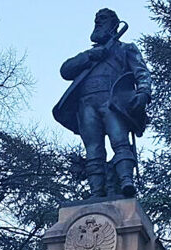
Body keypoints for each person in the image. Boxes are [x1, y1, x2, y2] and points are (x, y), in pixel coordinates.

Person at [53, 8, 151, 197]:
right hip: (86, 104)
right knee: (93, 149)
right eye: (96, 19)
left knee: (120, 142)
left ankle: (126, 182)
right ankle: (96, 191)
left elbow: (141, 71)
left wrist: (144, 92)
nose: (98, 22)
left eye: (103, 19)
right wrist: (89, 57)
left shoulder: (125, 49)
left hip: (113, 102)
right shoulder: (88, 55)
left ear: (114, 24)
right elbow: (65, 71)